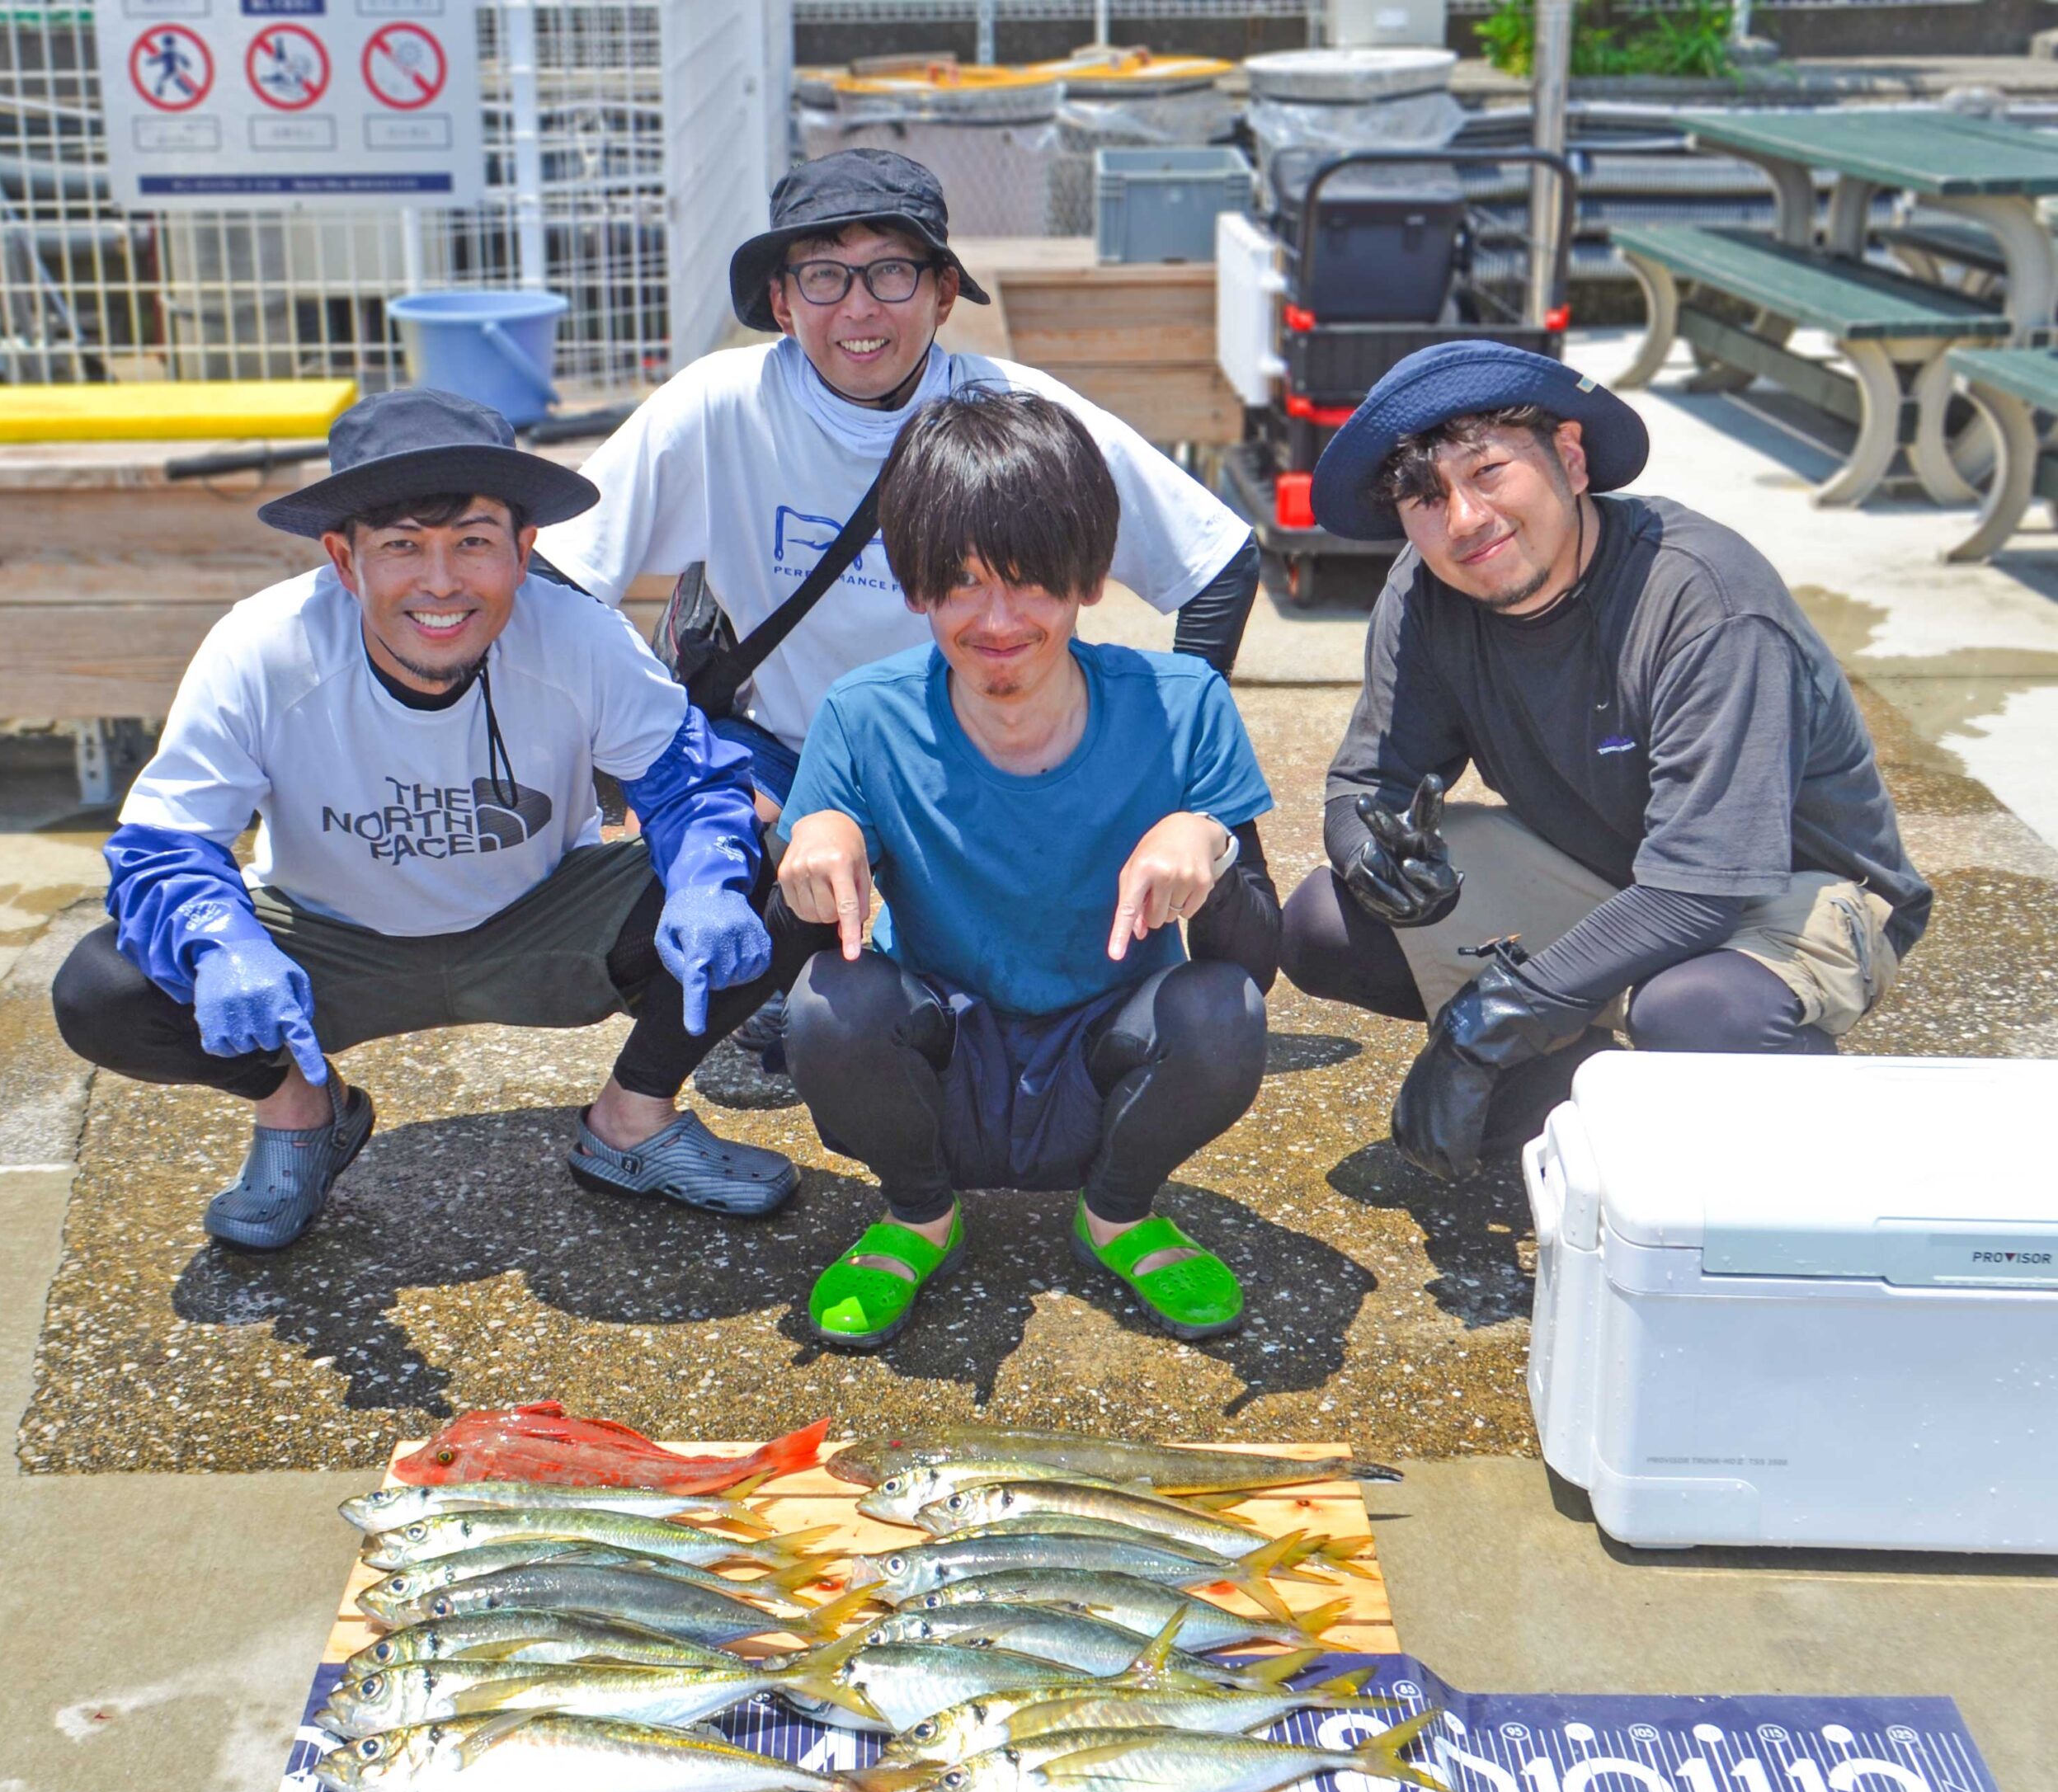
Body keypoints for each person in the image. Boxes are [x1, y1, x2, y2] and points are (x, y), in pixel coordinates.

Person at [50, 389, 822, 1251]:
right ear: (345, 561)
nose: (442, 582)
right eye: (402, 547)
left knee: (778, 865)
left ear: (525, 550)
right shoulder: (260, 650)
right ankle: (301, 1111)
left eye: (473, 543)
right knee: (105, 985)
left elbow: (689, 782)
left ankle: (632, 1121)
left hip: (542, 923)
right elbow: (165, 844)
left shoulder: (580, 636)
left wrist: (706, 880)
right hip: (327, 943)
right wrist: (221, 944)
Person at [1278, 341, 1933, 1183]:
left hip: (1778, 887)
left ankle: (1796, 1145)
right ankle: (1575, 1070)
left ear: (1572, 460)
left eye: (1487, 473)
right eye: (1426, 498)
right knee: (1325, 922)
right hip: (1609, 869)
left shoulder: (1704, 599)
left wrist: (1491, 1022)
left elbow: (1701, 886)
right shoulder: (1426, 591)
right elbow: (1368, 783)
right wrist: (1372, 859)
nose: (1465, 520)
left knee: (1694, 1010)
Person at [771, 388, 1282, 1352]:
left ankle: (1118, 1213)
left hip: (1105, 1055)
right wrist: (817, 841)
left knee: (1224, 1013)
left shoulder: (1183, 705)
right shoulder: (860, 714)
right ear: (914, 587)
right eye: (959, 583)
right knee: (824, 1002)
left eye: (1031, 582)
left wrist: (1207, 839)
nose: (997, 620)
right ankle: (920, 1213)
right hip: (948, 1051)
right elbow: (795, 949)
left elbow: (1252, 958)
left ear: (1088, 581)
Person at [535, 146, 1259, 825]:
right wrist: (633, 741)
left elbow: (1216, 559)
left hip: (979, 760)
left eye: (890, 272)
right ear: (782, 303)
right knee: (722, 900)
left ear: (944, 293)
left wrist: (1168, 763)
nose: (858, 308)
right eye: (823, 274)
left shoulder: (1019, 413)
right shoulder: (721, 406)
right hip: (786, 755)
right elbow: (556, 572)